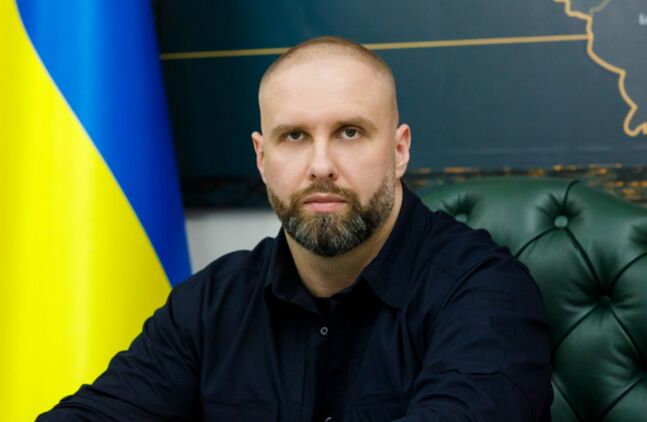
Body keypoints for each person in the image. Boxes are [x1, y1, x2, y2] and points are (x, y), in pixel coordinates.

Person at [38, 36, 552, 421]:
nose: (321, 165)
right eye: (294, 137)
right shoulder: (210, 304)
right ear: (262, 158)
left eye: (349, 132)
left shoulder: (487, 293)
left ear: (399, 151)